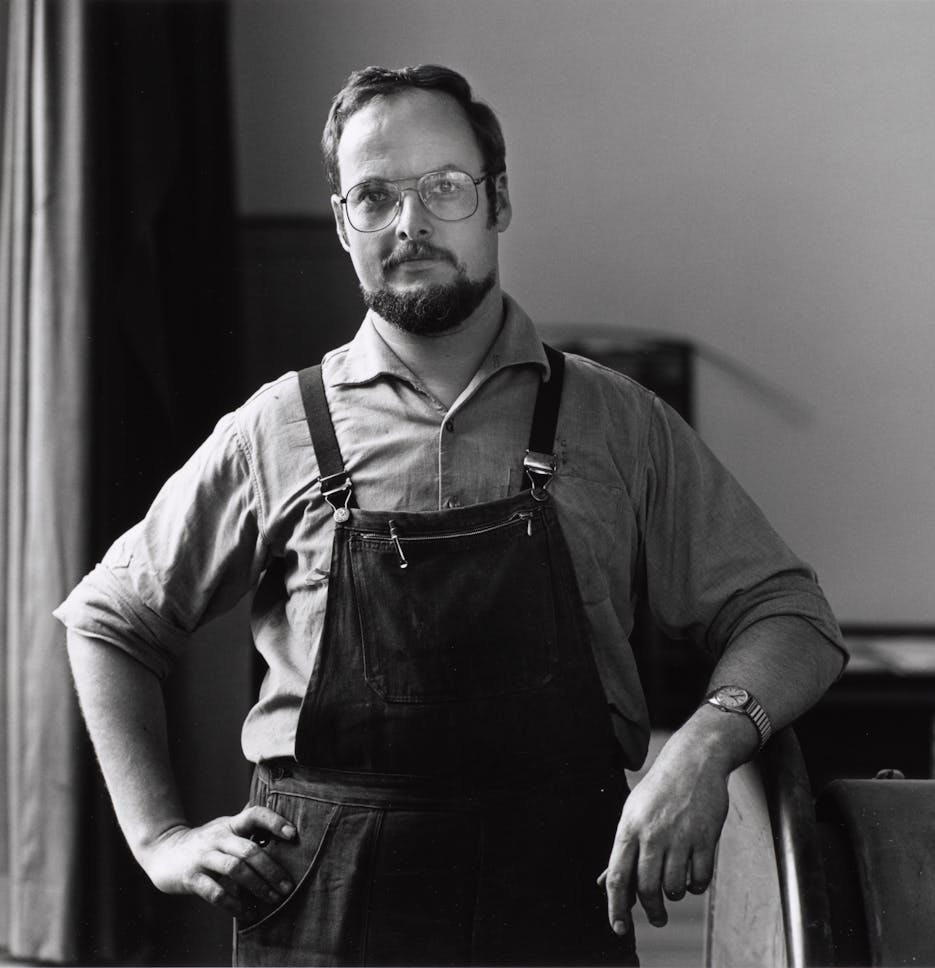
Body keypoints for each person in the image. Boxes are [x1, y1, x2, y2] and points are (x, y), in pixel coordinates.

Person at [57, 64, 847, 967]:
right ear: (342, 223)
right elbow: (108, 620)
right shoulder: (277, 428)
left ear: (497, 201)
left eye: (444, 187)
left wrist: (706, 744)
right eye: (374, 196)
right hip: (320, 910)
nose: (410, 223)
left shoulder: (618, 423)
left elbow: (791, 616)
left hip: (555, 904)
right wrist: (158, 838)